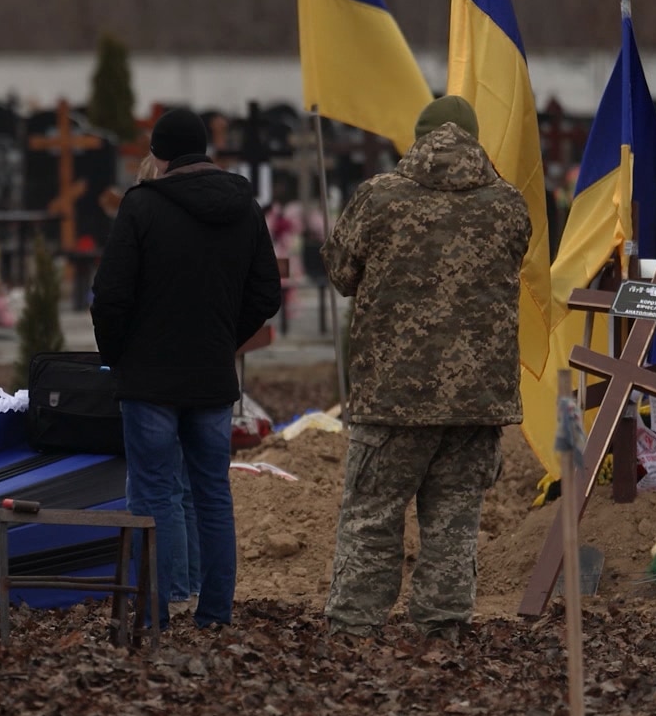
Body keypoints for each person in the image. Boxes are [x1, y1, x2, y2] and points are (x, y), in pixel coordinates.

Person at [320, 96, 529, 641]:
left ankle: (353, 630)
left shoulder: (377, 197)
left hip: (392, 397)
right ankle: (444, 626)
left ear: (417, 139)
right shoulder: (507, 203)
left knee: (372, 514)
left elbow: (342, 273)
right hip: (477, 400)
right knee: (456, 518)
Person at [91, 107, 281, 630]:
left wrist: (118, 356)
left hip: (149, 379)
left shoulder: (143, 207)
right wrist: (221, 339)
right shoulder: (244, 206)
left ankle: (158, 611)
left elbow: (109, 296)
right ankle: (214, 613)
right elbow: (266, 292)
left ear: (159, 154)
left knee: (153, 492)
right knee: (212, 493)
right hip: (211, 378)